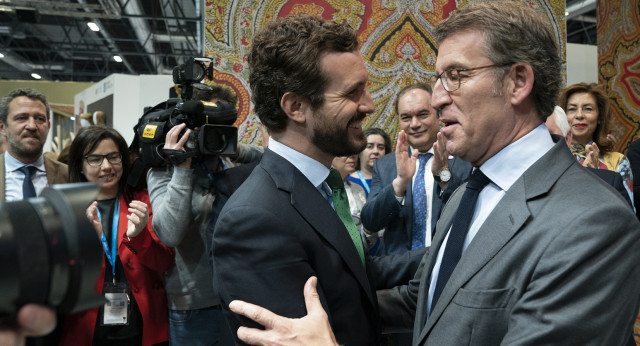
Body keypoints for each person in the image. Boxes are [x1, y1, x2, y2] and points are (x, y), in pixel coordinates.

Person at [227, 2, 640, 345]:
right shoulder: (466, 195)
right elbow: (430, 302)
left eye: (456, 76)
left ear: (517, 82)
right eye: (439, 78)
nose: (438, 98)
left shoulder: (592, 223)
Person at [212, 14, 425, 346]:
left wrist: (449, 251)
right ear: (296, 106)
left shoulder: (321, 187)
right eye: (353, 93)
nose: (369, 104)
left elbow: (353, 276)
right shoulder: (254, 220)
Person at [146, 83, 261, 345]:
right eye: (209, 122)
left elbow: (270, 160)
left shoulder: (227, 161)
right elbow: (168, 233)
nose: (215, 129)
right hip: (194, 307)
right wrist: (182, 167)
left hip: (238, 297)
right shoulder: (163, 169)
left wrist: (233, 147)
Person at [60, 126, 174, 346]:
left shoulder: (143, 202)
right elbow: (60, 282)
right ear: (80, 166)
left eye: (113, 157)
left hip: (141, 327)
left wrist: (140, 237)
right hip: (85, 329)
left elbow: (164, 262)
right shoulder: (66, 209)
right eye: (95, 159)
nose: (106, 166)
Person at [362, 83, 471, 256]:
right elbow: (370, 221)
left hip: (443, 267)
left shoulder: (464, 158)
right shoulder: (385, 165)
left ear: (438, 115)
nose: (414, 124)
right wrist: (400, 183)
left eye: (422, 114)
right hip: (396, 272)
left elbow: (470, 212)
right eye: (406, 117)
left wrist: (443, 175)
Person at [547, 105, 633, 208]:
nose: (579, 115)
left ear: (567, 138)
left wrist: (590, 183)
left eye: (548, 135)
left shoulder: (608, 182)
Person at [559, 82, 633, 200]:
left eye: (588, 109)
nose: (579, 115)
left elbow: (626, 214)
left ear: (599, 117)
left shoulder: (618, 162)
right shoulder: (552, 158)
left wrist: (598, 177)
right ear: (563, 116)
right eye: (572, 109)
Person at [0, 88, 68, 201]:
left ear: (48, 126)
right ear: (2, 128)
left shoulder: (68, 175)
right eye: (21, 118)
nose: (32, 126)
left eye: (40, 119)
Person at [332, 154, 376, 250]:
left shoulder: (357, 188)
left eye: (354, 151)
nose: (352, 156)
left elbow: (367, 240)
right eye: (345, 150)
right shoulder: (321, 187)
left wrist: (367, 231)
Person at [346, 127, 391, 197]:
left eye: (381, 147)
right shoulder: (348, 182)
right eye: (369, 146)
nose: (376, 151)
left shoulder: (393, 182)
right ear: (359, 152)